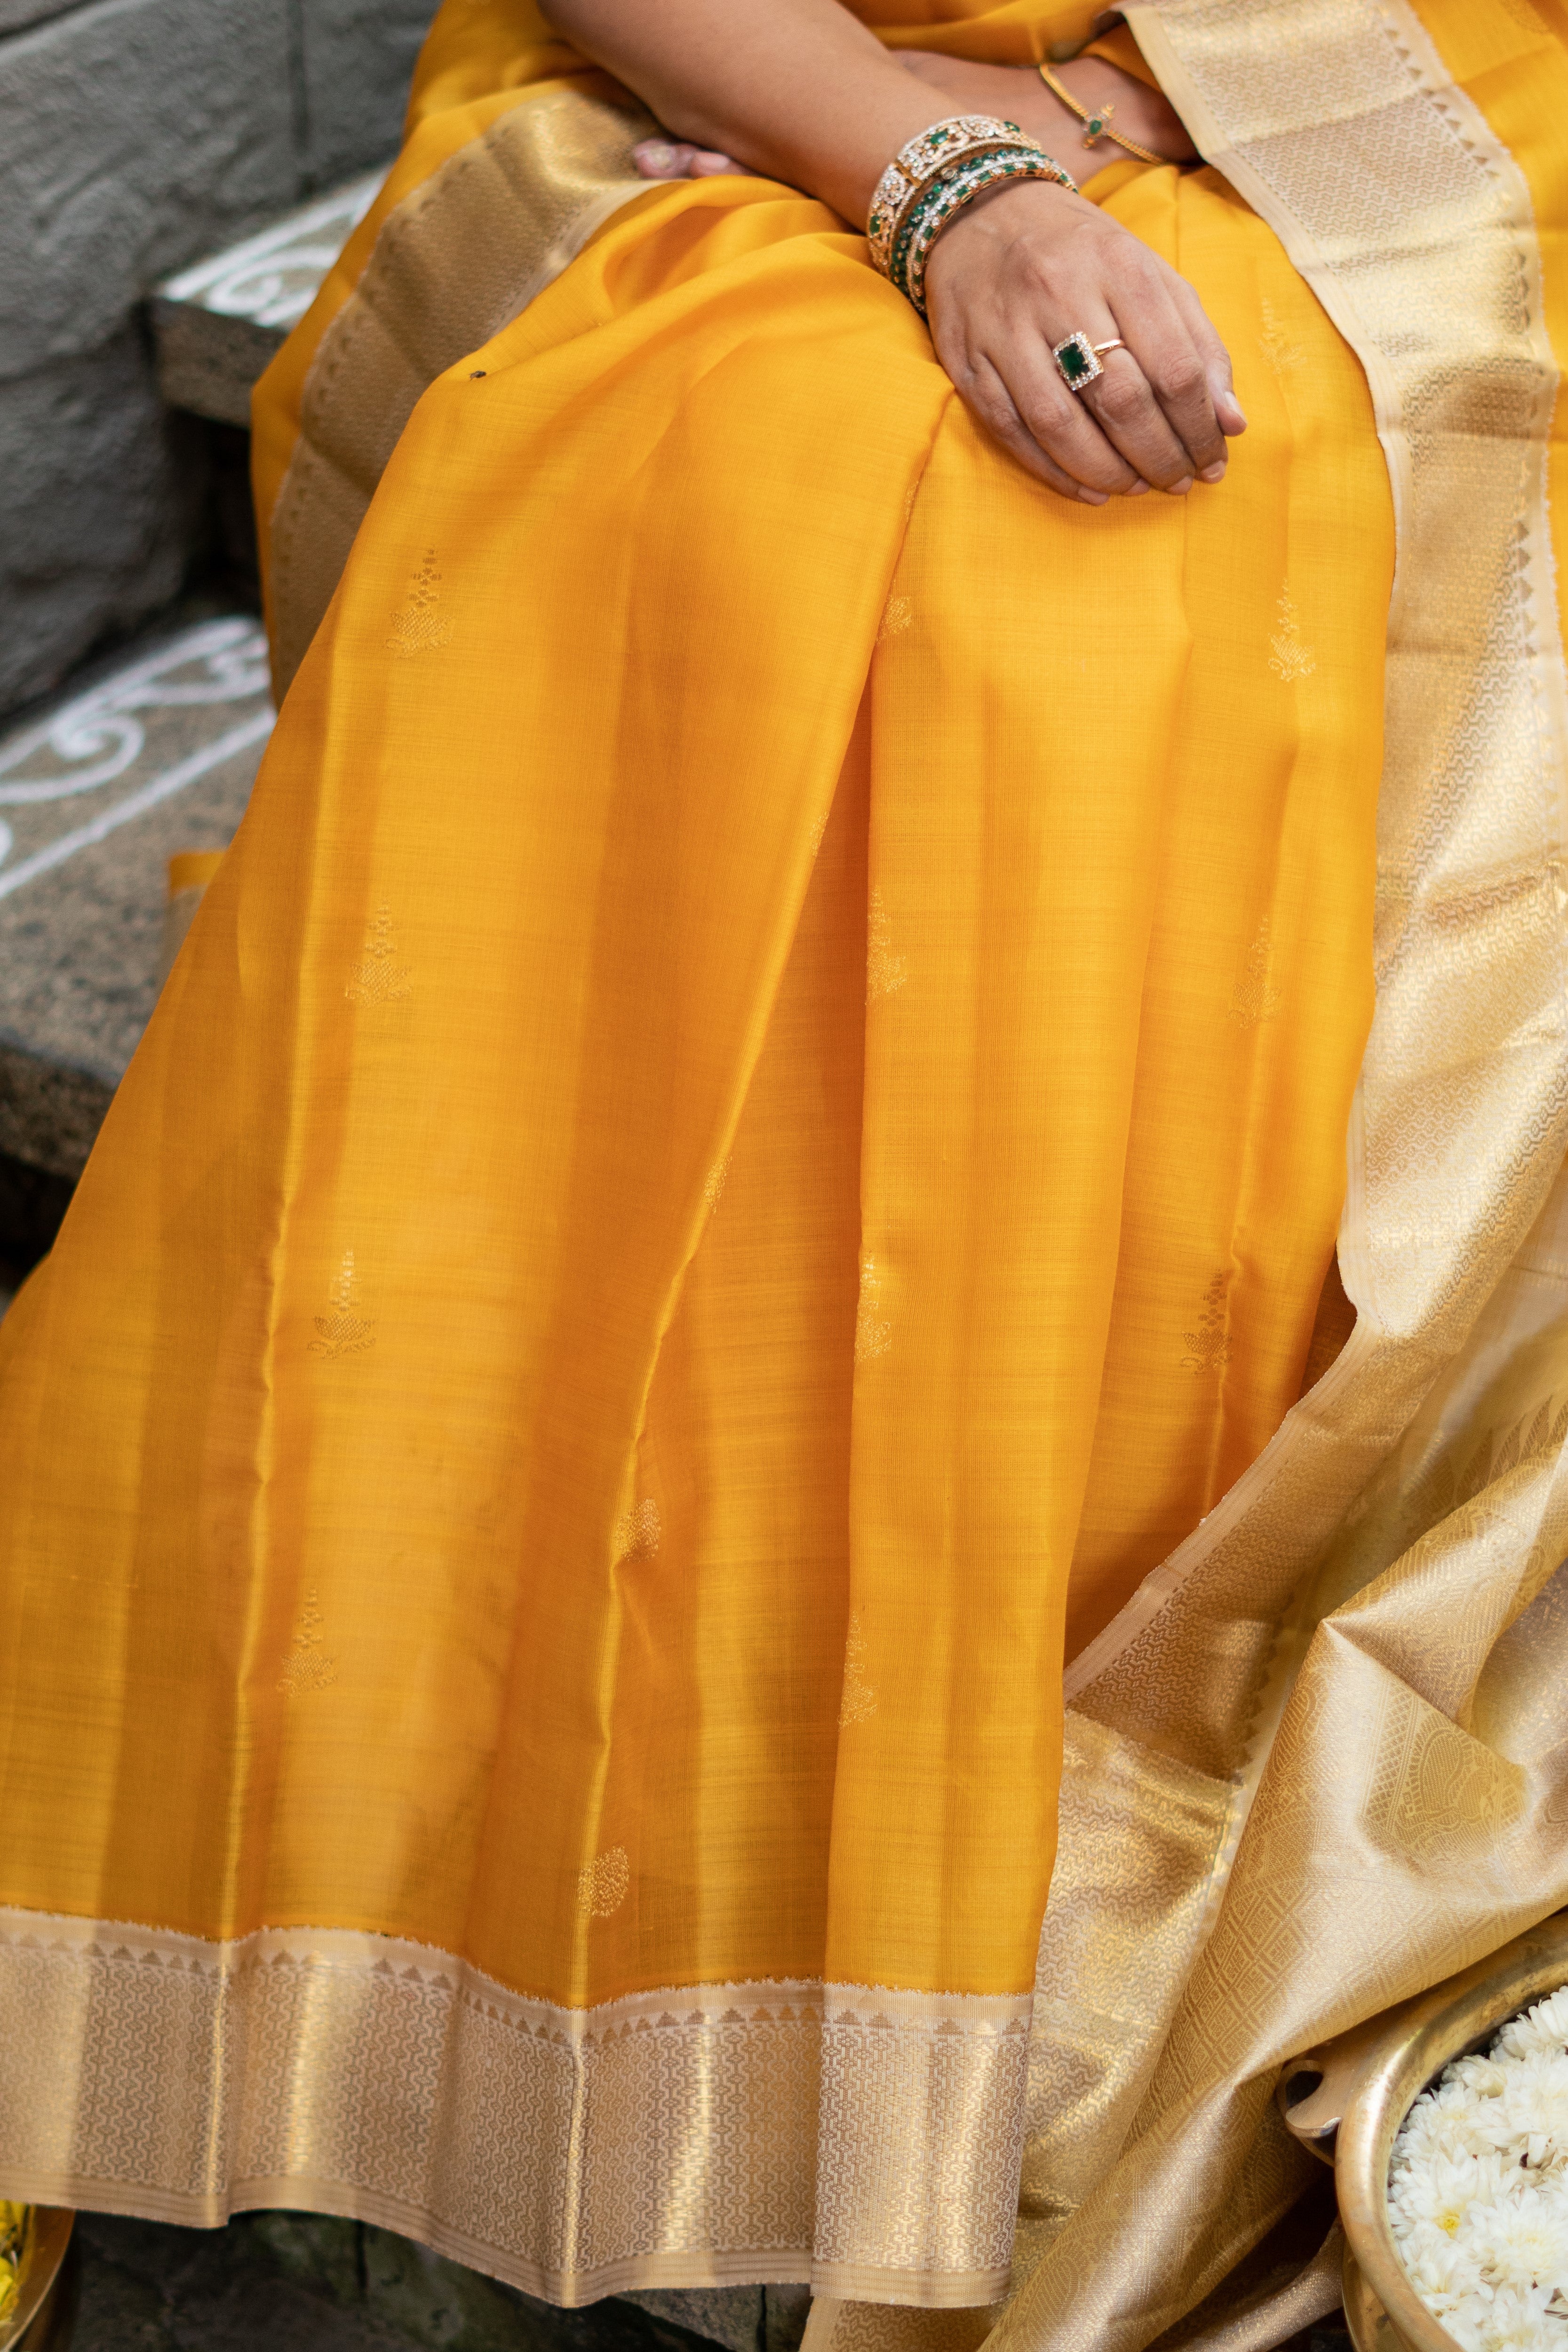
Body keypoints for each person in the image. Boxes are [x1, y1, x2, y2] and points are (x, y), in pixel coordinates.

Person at [0, 5, 1566, 2349]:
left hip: (1387, 73)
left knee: (1167, 510)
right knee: (732, 440)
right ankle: (338, 1856)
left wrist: (1182, 92)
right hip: (781, 64)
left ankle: (1046, 1779)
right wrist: (939, 171)